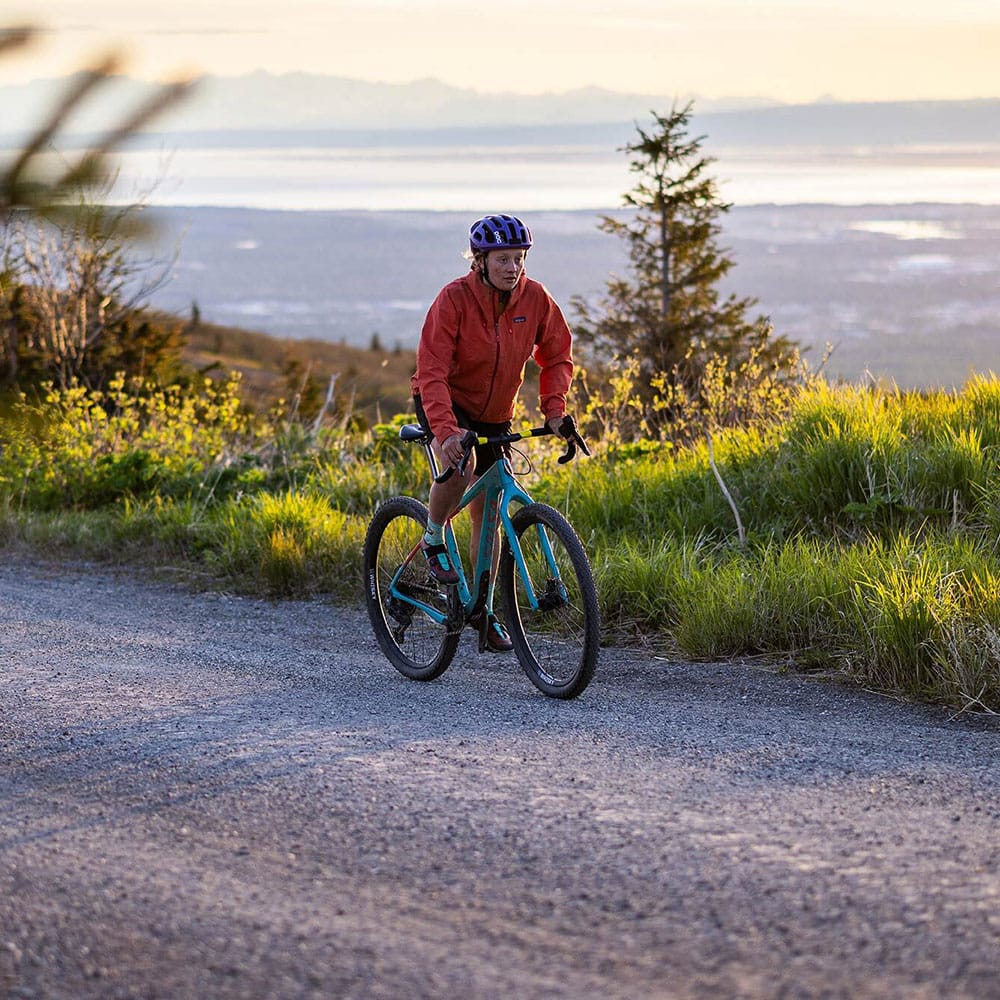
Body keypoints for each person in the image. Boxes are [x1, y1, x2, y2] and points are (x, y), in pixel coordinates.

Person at [410, 213, 575, 653]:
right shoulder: (454, 299)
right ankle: (432, 537)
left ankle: (482, 611)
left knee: (490, 512)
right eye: (503, 258)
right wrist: (445, 432)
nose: (513, 267)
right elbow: (432, 372)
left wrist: (555, 410)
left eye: (519, 258)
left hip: (496, 413)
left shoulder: (535, 298)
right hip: (446, 401)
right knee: (461, 470)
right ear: (479, 260)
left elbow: (557, 355)